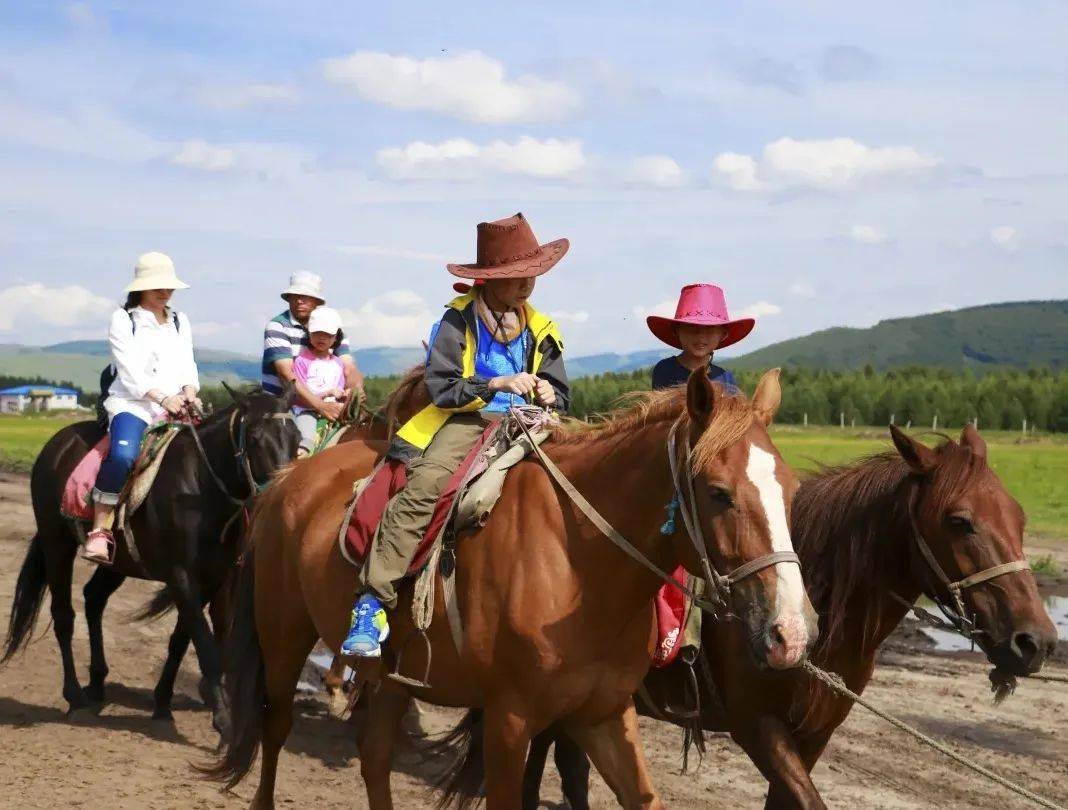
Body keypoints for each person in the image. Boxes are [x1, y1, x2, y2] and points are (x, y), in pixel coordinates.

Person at [341, 212, 570, 657]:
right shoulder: (457, 321)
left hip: (532, 421)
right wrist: (495, 384)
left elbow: (562, 393)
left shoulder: (542, 327)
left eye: (532, 275)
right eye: (516, 276)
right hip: (466, 419)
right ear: (488, 280)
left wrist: (548, 391)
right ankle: (371, 603)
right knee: (424, 488)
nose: (527, 285)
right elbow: (441, 388)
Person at [83, 252, 201, 565]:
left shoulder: (179, 320)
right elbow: (129, 370)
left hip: (177, 405)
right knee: (123, 456)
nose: (165, 292)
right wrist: (162, 398)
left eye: (169, 286)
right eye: (157, 286)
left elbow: (187, 362)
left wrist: (190, 390)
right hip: (134, 404)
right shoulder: (124, 319)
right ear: (141, 287)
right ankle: (99, 529)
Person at [261, 271, 364, 421]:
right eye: (294, 296)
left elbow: (349, 368)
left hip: (331, 402)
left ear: (316, 301)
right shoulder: (277, 327)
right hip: (283, 406)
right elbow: (286, 374)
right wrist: (320, 406)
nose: (299, 301)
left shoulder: (332, 328)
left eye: (305, 297)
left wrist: (355, 390)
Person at [647, 283, 754, 392]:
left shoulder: (726, 380)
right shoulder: (665, 370)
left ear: (722, 335)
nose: (701, 335)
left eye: (710, 329)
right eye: (692, 327)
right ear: (677, 331)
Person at [291, 306, 351, 456]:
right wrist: (327, 393)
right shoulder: (302, 361)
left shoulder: (338, 363)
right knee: (307, 440)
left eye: (327, 334)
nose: (321, 338)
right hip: (308, 411)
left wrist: (346, 395)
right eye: (317, 333)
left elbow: (339, 389)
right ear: (309, 333)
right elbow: (300, 396)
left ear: (335, 337)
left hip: (333, 411)